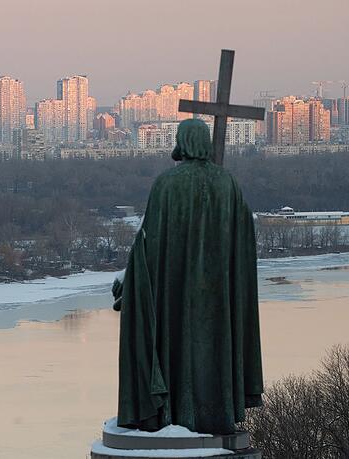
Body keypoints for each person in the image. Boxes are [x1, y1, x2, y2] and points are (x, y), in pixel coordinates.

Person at [112, 118, 263, 434]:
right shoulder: (228, 184)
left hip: (176, 293)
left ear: (183, 141)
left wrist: (131, 283)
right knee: (216, 348)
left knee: (176, 345)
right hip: (219, 296)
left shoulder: (167, 184)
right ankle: (216, 413)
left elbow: (148, 244)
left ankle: (177, 414)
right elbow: (243, 238)